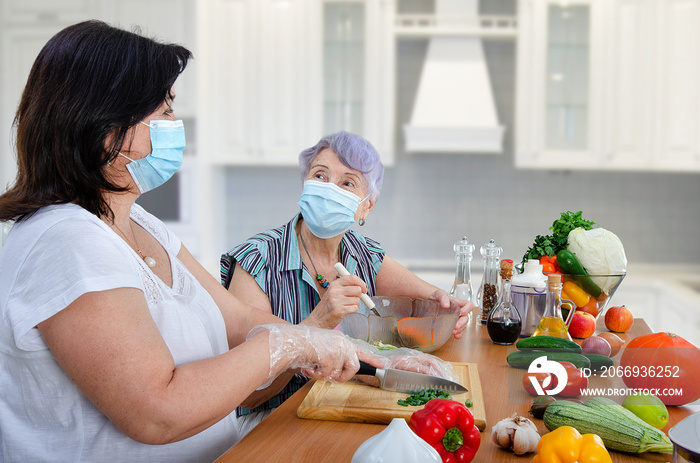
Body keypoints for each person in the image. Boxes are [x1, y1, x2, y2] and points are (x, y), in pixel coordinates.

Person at [0, 21, 427, 463]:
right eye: (163, 111)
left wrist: (364, 352)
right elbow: (157, 412)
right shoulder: (64, 241)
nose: (175, 124)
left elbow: (237, 321)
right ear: (104, 126)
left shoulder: (140, 221)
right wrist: (294, 344)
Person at [220, 131, 475, 430]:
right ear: (305, 184)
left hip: (340, 405)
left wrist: (449, 306)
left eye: (347, 183)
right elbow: (247, 394)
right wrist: (317, 322)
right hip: (273, 422)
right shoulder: (257, 261)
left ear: (366, 206)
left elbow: (432, 299)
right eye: (320, 175)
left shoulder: (362, 252)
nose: (329, 189)